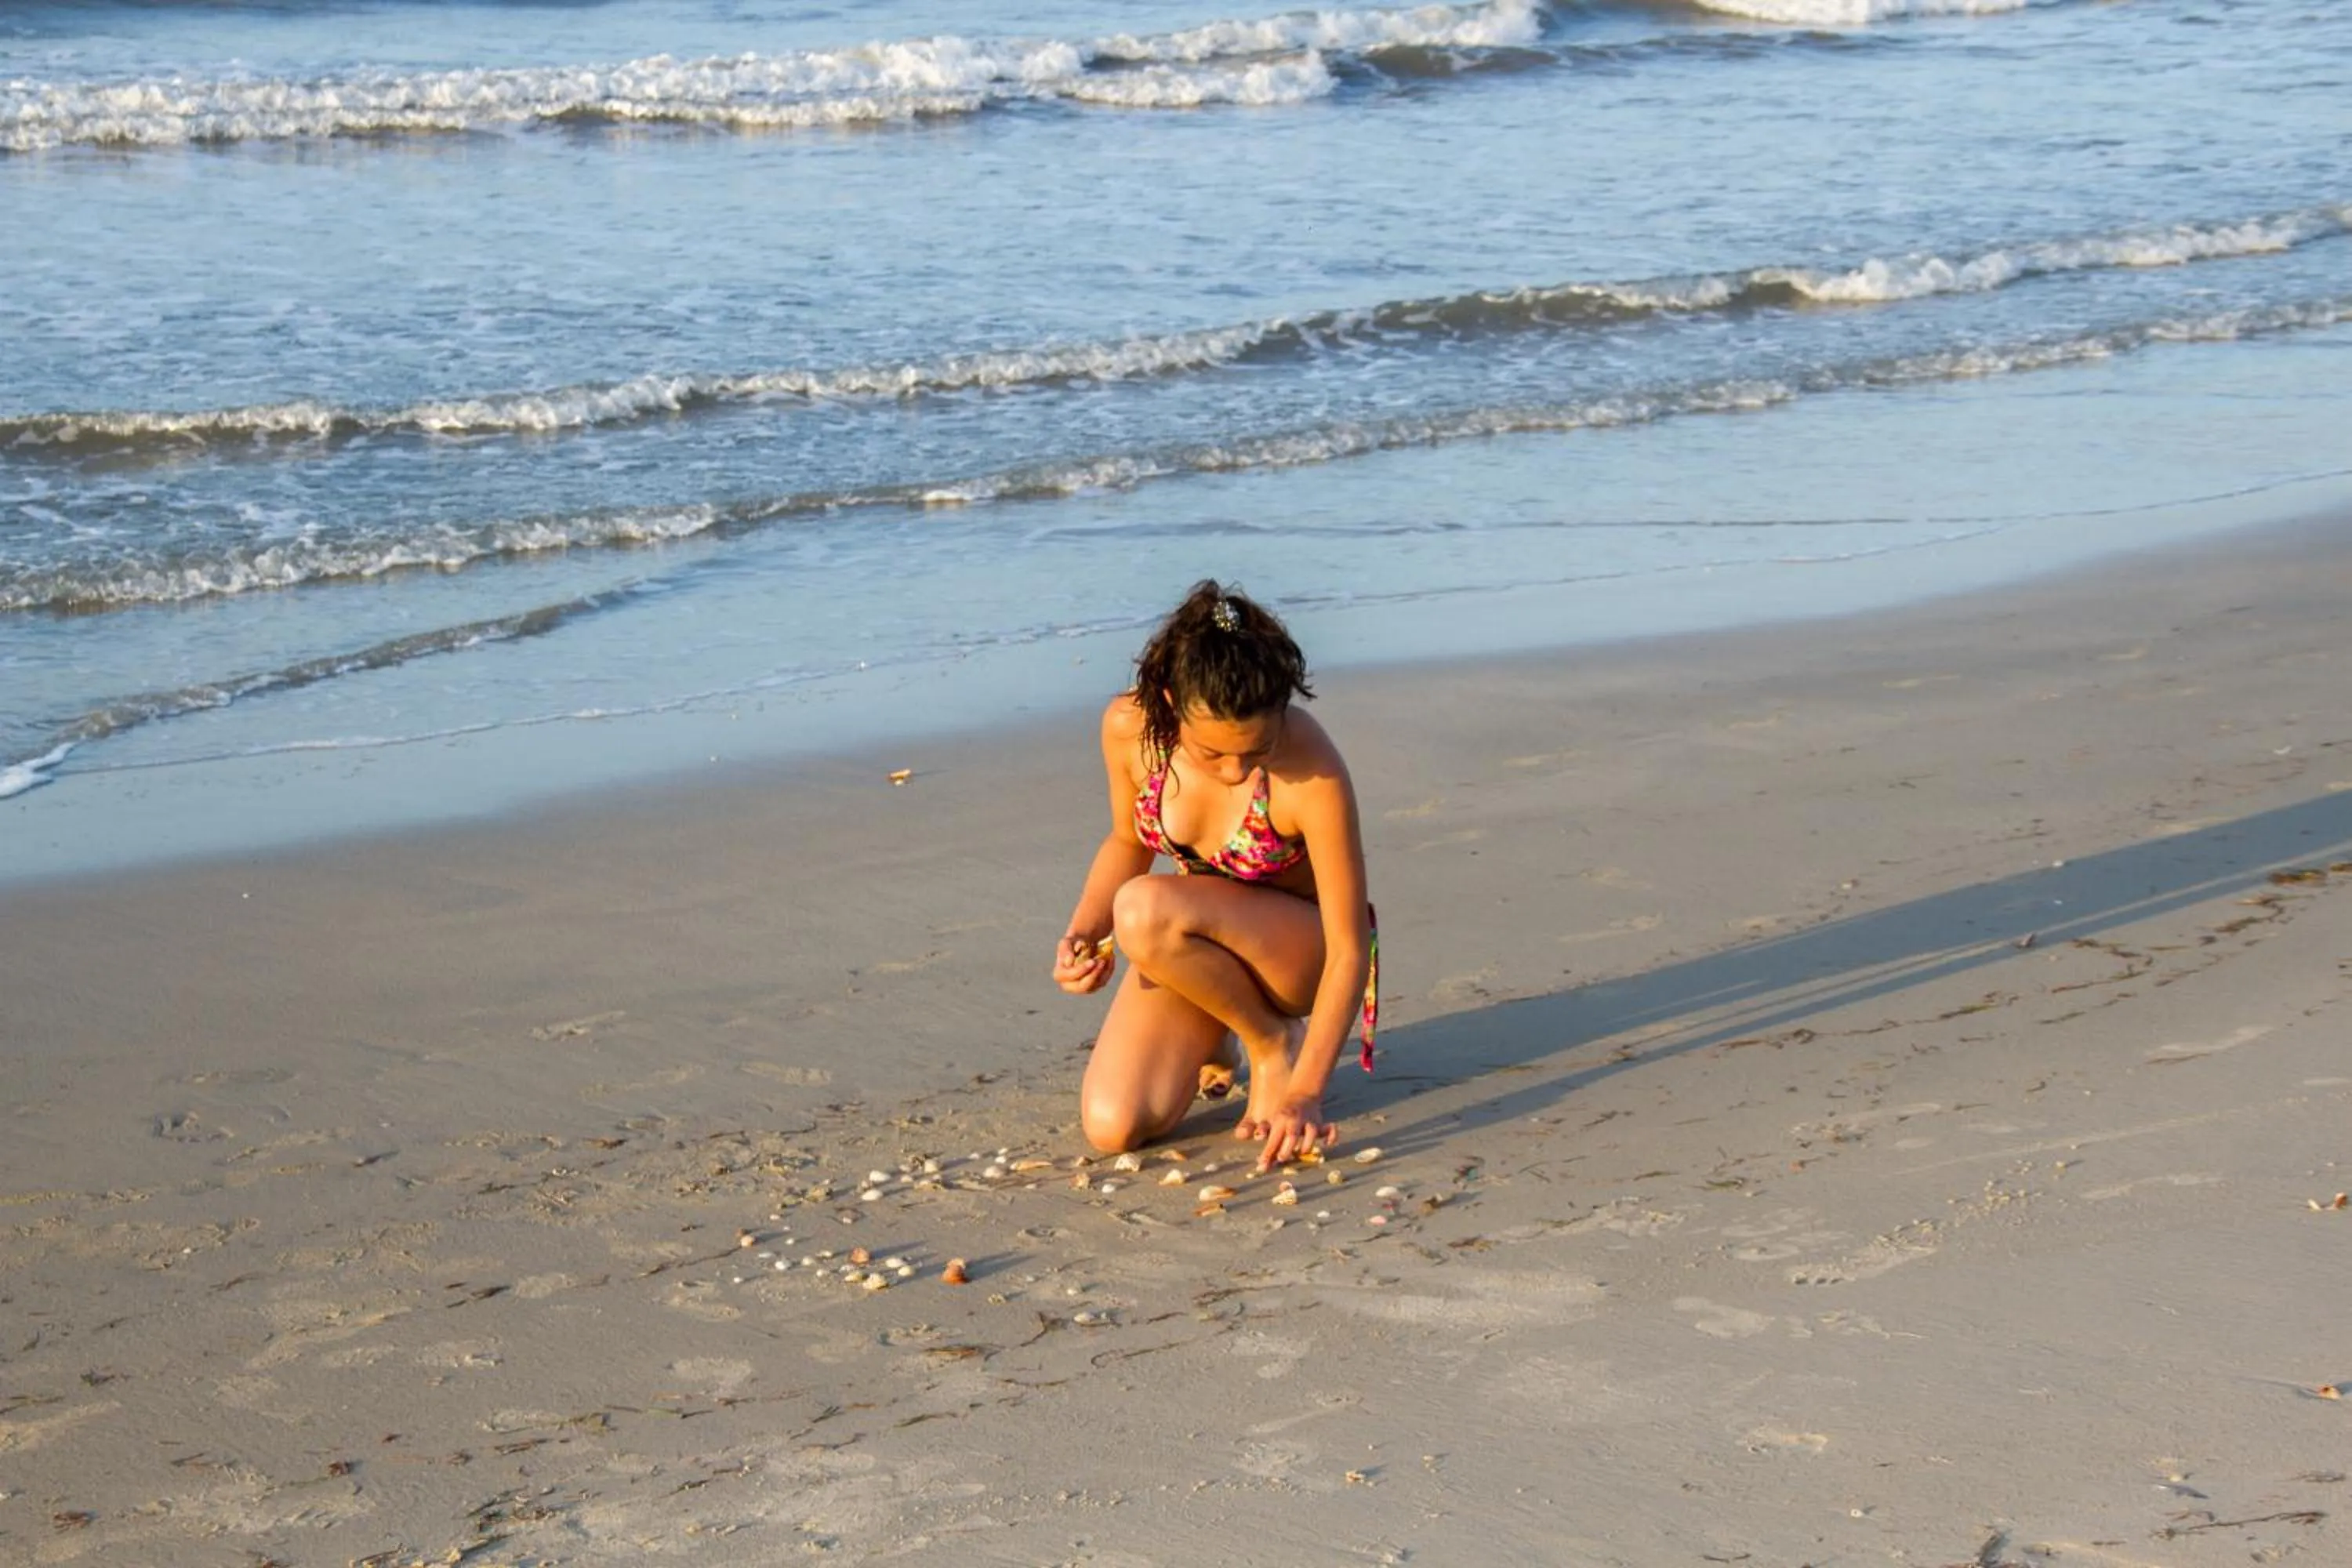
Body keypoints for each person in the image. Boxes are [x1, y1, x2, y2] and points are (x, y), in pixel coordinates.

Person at [1051, 580, 1376, 1171]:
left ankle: (1274, 1041)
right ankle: (1235, 1027)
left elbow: (1352, 948)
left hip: (1298, 959)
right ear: (1172, 704)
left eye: (1257, 750)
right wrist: (1080, 934)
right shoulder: (1130, 730)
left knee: (1143, 910)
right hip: (1191, 945)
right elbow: (1128, 840)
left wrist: (1306, 1093)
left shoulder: (1312, 769)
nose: (1235, 772)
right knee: (1113, 1124)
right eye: (1214, 753)